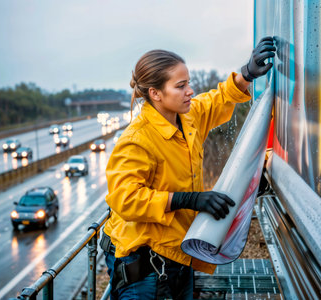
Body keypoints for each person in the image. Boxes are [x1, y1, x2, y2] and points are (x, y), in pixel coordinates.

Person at [101, 37, 276, 299]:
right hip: (146, 271)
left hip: (178, 257)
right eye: (181, 86)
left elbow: (217, 100)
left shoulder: (187, 117)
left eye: (189, 83)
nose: (190, 91)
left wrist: (246, 74)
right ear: (156, 94)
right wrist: (189, 200)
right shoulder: (137, 140)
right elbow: (124, 199)